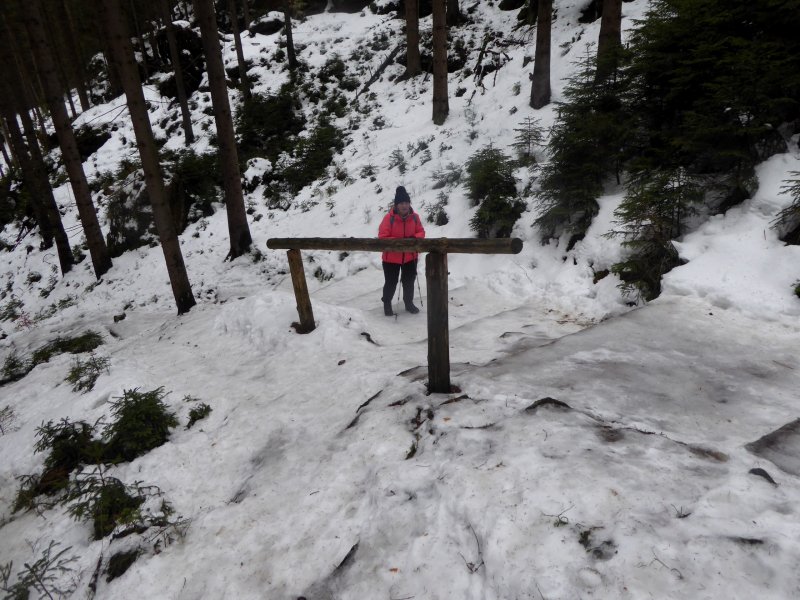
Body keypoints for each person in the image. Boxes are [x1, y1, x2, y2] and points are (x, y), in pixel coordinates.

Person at [378, 186, 425, 316]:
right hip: (391, 259)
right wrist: (401, 241)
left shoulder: (415, 217)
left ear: (409, 203)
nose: (404, 205)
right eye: (401, 203)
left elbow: (421, 232)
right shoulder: (389, 218)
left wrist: (414, 238)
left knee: (409, 282)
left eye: (406, 203)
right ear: (396, 205)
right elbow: (382, 237)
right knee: (391, 282)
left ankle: (408, 303)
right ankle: (387, 303)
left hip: (410, 257)